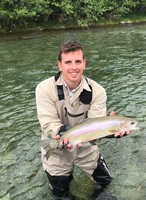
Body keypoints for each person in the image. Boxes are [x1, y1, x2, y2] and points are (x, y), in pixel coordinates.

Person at [35, 40, 130, 199]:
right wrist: (64, 134)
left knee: (105, 184)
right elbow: (48, 123)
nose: (74, 67)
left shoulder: (98, 91)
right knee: (61, 194)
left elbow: (96, 123)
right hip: (57, 150)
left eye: (78, 61)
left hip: (86, 148)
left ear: (84, 63)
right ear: (60, 65)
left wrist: (110, 132)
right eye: (68, 62)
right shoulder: (43, 88)